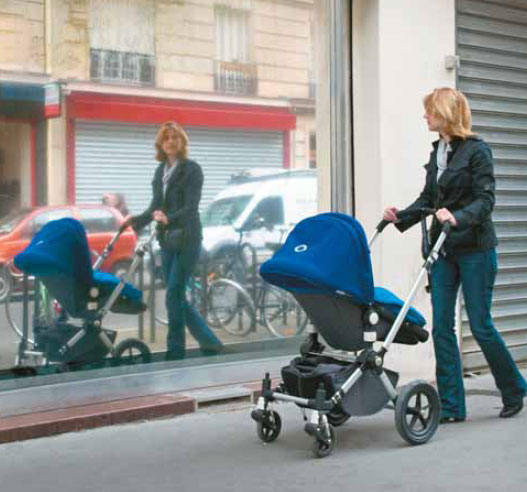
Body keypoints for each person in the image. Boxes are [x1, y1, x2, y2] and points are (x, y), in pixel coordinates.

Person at [383, 87, 526, 422]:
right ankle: (451, 406)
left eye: (430, 111)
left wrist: (458, 217)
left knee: (480, 325)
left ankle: (513, 389)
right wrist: (399, 217)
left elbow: (485, 200)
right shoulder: (438, 151)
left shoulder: (478, 151)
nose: (425, 116)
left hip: (476, 249)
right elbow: (428, 199)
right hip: (444, 249)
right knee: (442, 328)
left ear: (446, 114)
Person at [124, 121, 223, 360]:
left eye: (175, 138)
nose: (170, 142)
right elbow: (155, 206)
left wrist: (169, 218)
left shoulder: (192, 169)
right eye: (166, 138)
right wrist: (135, 221)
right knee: (176, 296)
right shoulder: (160, 171)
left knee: (173, 294)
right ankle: (210, 342)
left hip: (188, 239)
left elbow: (191, 206)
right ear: (160, 144)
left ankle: (175, 351)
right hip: (167, 241)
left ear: (182, 142)